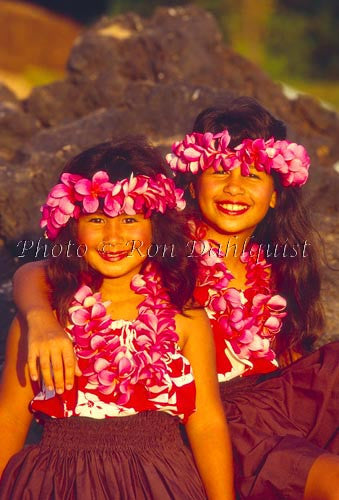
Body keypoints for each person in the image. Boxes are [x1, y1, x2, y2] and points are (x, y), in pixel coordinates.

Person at [11, 97, 339, 499]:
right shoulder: (170, 249)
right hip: (224, 417)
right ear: (193, 181)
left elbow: (287, 354)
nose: (234, 187)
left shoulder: (278, 261)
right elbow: (37, 272)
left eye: (252, 175)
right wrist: (39, 318)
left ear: (275, 195)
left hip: (275, 402)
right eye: (218, 171)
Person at [0, 138, 235, 499]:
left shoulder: (186, 318)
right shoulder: (43, 322)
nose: (113, 236)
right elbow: (10, 420)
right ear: (72, 227)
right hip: (58, 483)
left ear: (156, 227)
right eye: (96, 219)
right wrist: (40, 321)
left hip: (160, 480)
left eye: (130, 219)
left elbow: (206, 424)